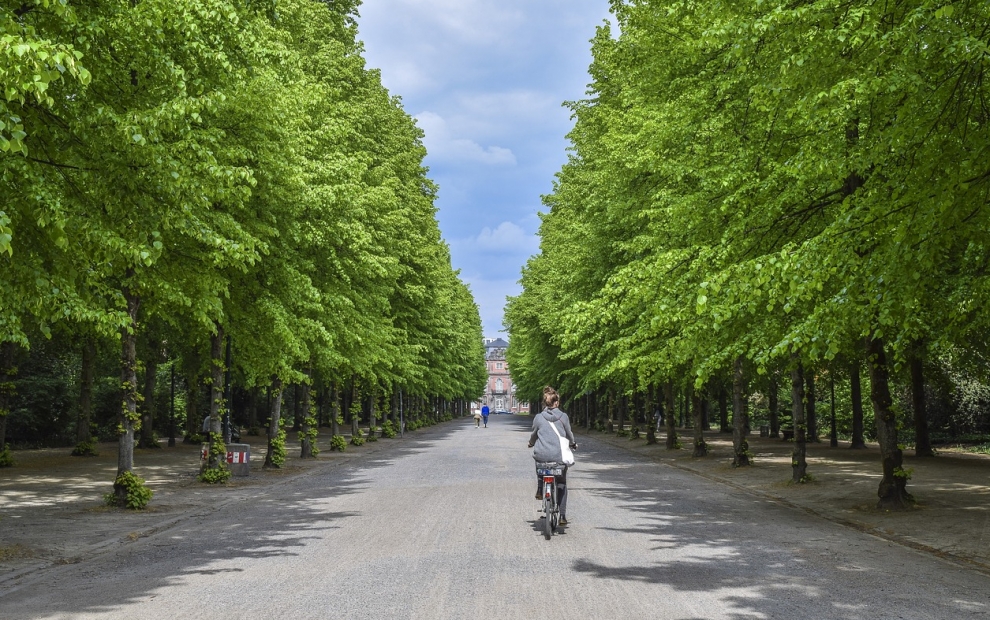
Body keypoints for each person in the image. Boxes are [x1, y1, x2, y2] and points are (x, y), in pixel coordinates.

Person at [527, 386, 577, 526]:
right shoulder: (563, 417)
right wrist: (573, 444)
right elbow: (569, 434)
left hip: (542, 458)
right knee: (561, 483)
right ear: (557, 403)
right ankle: (562, 515)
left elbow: (534, 435)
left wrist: (531, 443)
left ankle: (540, 488)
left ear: (545, 403)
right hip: (558, 458)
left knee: (539, 460)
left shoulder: (538, 417)